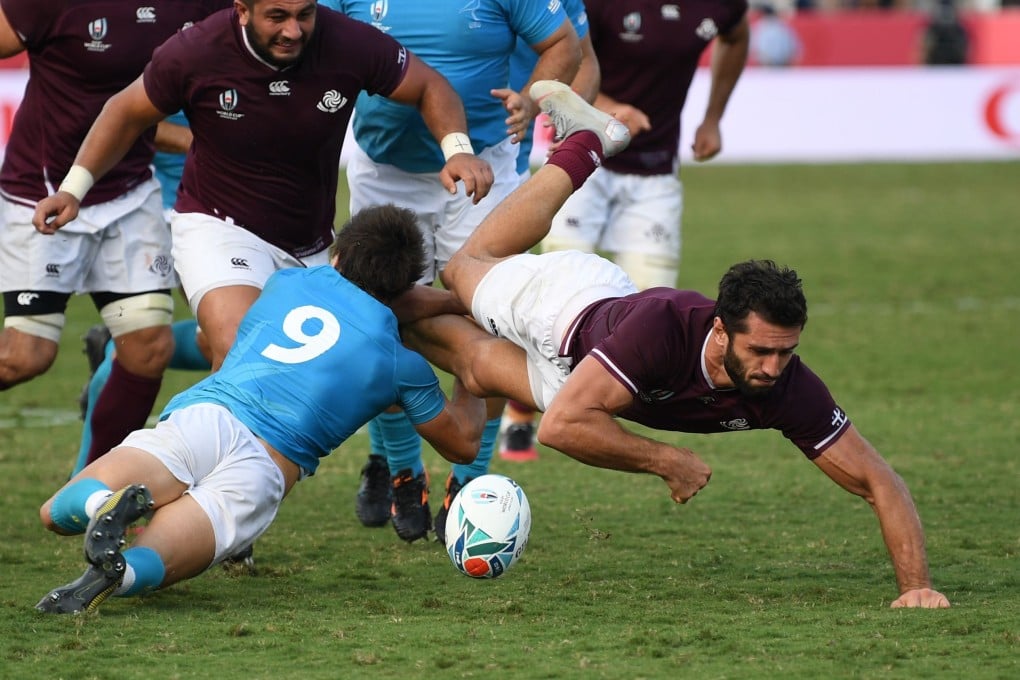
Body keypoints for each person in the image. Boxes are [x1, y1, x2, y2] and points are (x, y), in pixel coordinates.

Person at [402, 80, 951, 609]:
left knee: (474, 369)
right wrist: (667, 460)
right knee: (463, 268)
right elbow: (562, 429)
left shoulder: (785, 385)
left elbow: (879, 480)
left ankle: (378, 303)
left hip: (586, 372)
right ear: (719, 330)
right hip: (565, 309)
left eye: (785, 352)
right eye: (760, 351)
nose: (772, 367)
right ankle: (588, 144)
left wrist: (916, 586)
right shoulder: (666, 329)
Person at [31, 1, 492, 477]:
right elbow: (124, 110)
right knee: (236, 344)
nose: (294, 30)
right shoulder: (195, 50)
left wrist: (456, 150)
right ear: (242, 10)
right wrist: (73, 189)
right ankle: (201, 497)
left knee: (372, 334)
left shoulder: (347, 41)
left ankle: (474, 309)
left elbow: (430, 86)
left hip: (310, 241)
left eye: (305, 14)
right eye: (278, 16)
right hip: (218, 224)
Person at [35, 205, 486, 615]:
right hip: (263, 470)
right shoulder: (399, 363)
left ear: (339, 257)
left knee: (55, 514)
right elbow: (463, 444)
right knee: (152, 565)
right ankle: (120, 574)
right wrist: (473, 365)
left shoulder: (289, 281)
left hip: (208, 417)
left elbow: (368, 292)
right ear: (404, 285)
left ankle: (101, 505)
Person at [321, 0, 583, 543]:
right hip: (386, 170)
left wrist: (534, 96)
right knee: (383, 322)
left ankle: (468, 479)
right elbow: (308, 44)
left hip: (485, 165)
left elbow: (565, 44)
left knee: (494, 318)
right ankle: (401, 470)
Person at [0, 0, 233, 470]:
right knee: (25, 358)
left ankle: (96, 491)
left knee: (149, 346)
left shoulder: (207, 6)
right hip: (41, 195)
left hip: (131, 194)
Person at [542, 0, 749, 291]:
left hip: (655, 169)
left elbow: (736, 35)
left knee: (649, 304)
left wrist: (713, 118)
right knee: (563, 291)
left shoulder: (720, 5)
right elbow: (566, 62)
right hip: (581, 158)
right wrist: (612, 110)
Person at [493, 0, 601, 468]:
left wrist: (573, 116)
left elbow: (585, 59)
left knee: (501, 314)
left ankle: (481, 460)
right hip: (409, 164)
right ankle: (392, 465)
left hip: (507, 167)